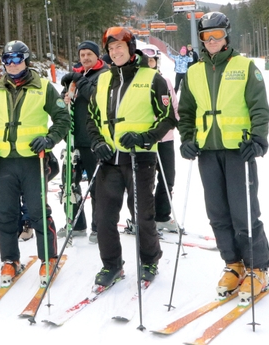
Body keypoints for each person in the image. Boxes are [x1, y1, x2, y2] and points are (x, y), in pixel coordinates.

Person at [178, 12, 269, 301]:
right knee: (217, 213)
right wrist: (187, 140)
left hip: (238, 151)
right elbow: (186, 113)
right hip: (208, 152)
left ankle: (258, 268)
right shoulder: (194, 72)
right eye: (207, 36)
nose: (212, 41)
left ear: (226, 36)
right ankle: (233, 264)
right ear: (201, 39)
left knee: (243, 212)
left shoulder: (245, 67)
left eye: (217, 35)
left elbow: (260, 108)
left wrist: (258, 140)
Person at [0, 40, 70, 287]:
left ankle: (47, 258)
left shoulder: (43, 87)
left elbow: (62, 118)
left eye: (17, 59)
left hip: (32, 160)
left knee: (37, 212)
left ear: (26, 60)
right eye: (7, 60)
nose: (12, 64)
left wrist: (49, 139)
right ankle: (10, 259)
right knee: (6, 214)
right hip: (4, 161)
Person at [86, 27, 176, 286]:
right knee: (103, 217)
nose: (115, 53)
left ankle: (149, 260)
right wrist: (97, 142)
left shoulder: (151, 78)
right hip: (108, 160)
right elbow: (92, 117)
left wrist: (144, 137)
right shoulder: (103, 79)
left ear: (131, 48)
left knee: (142, 215)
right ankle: (112, 265)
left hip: (140, 158)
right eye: (111, 49)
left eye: (120, 48)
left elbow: (168, 117)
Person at [59, 40, 109, 244]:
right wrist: (64, 97)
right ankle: (76, 223)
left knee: (97, 186)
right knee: (69, 184)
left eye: (89, 54)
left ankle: (99, 227)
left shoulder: (104, 75)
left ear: (97, 56)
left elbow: (95, 97)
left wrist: (79, 79)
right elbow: (66, 102)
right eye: (82, 55)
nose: (85, 58)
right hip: (74, 139)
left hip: (94, 139)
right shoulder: (77, 78)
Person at [140, 44, 180, 234]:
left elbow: (174, 106)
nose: (149, 64)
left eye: (152, 60)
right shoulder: (137, 83)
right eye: (145, 60)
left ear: (157, 62)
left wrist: (181, 126)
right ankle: (143, 217)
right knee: (144, 180)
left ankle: (162, 215)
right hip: (145, 139)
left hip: (165, 138)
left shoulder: (165, 81)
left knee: (167, 178)